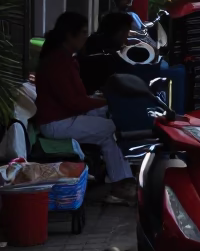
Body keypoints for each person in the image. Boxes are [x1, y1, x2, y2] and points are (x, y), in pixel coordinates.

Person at [34, 12, 135, 203]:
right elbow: (74, 102)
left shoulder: (64, 58)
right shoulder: (57, 62)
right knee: (110, 130)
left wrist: (101, 101)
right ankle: (121, 185)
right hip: (57, 123)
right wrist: (107, 101)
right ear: (69, 35)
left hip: (64, 117)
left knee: (111, 121)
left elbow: (76, 100)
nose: (85, 37)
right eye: (82, 32)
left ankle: (119, 177)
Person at [79, 12, 135, 94]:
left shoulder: (92, 41)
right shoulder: (109, 54)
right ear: (120, 32)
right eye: (127, 32)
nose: (127, 37)